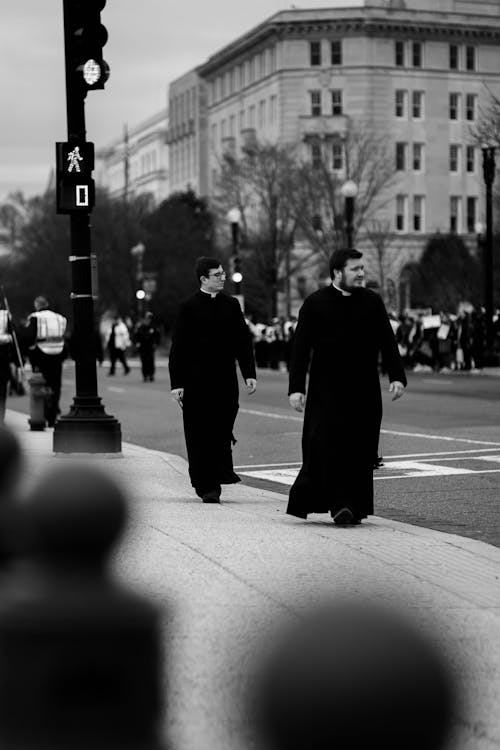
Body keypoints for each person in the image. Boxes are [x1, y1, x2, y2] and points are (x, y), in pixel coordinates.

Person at [287, 248, 406, 525]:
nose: (361, 273)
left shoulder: (372, 302)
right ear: (337, 273)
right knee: (329, 446)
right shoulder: (315, 303)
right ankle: (340, 503)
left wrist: (397, 376)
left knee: (361, 448)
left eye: (362, 268)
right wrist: (296, 388)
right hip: (326, 391)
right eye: (355, 269)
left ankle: (355, 506)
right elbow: (300, 350)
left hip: (364, 389)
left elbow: (387, 342)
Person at [169, 256, 257, 503]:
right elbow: (179, 349)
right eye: (217, 275)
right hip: (196, 381)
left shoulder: (231, 305)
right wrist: (177, 384)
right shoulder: (188, 307)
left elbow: (243, 341)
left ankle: (219, 474)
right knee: (198, 432)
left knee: (221, 428)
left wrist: (249, 373)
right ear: (203, 279)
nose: (223, 278)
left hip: (225, 378)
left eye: (223, 274)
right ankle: (206, 484)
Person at [25, 296, 67, 427]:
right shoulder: (60, 318)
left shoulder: (35, 317)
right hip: (58, 353)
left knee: (41, 385)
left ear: (37, 305)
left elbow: (30, 336)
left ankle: (42, 414)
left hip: (41, 353)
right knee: (55, 386)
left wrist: (27, 352)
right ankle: (52, 416)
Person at [134, 312, 160, 382]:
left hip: (150, 346)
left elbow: (157, 336)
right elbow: (136, 336)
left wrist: (156, 343)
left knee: (150, 361)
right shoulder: (140, 327)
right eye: (146, 318)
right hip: (142, 347)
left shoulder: (154, 327)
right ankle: (145, 375)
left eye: (149, 319)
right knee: (144, 361)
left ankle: (151, 375)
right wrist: (137, 343)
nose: (147, 320)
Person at [0, 303, 15, 424]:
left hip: (3, 356)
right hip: (3, 355)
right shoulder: (6, 315)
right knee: (2, 389)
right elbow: (13, 335)